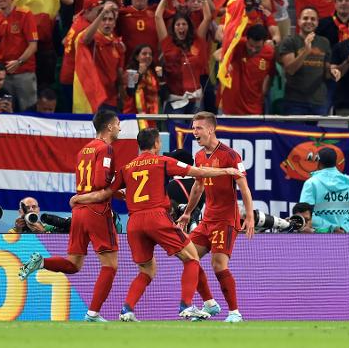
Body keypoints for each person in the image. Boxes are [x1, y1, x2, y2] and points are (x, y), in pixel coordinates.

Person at [73, 127, 242, 322]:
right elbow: (199, 171)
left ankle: (127, 309)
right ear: (156, 144)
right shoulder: (162, 162)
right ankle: (187, 306)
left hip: (134, 223)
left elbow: (104, 193)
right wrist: (225, 170)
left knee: (147, 270)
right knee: (192, 258)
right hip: (156, 218)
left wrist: (79, 198)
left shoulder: (127, 168)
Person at [19, 110, 121, 322]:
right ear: (109, 127)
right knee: (110, 265)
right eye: (118, 124)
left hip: (79, 212)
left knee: (74, 264)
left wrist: (84, 197)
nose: (120, 128)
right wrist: (120, 185)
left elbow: (90, 184)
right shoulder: (106, 149)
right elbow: (102, 183)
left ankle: (42, 262)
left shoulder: (84, 150)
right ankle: (92, 313)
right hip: (97, 210)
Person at [177, 111, 255, 323]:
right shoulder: (200, 156)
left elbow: (244, 188)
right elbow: (197, 187)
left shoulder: (230, 155)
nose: (195, 132)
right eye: (193, 128)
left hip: (226, 220)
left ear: (210, 129)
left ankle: (234, 313)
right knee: (188, 255)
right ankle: (210, 303)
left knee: (219, 264)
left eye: (198, 128)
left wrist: (249, 216)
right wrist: (186, 213)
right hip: (207, 220)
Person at [279, 7, 341, 115]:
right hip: (295, 101)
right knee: (296, 132)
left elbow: (326, 72)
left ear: (317, 23)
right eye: (305, 18)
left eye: (313, 19)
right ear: (298, 21)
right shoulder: (289, 41)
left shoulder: (324, 42)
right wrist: (306, 51)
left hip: (319, 101)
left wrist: (333, 71)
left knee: (317, 133)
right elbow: (290, 70)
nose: (309, 21)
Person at [299, 147, 349, 233]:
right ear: (336, 162)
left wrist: (332, 228)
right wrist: (345, 229)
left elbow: (304, 215)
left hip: (320, 239)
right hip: (347, 239)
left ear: (318, 162)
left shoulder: (311, 183)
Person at [216, 24, 276, 115]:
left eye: (258, 47)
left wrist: (263, 92)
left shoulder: (270, 53)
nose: (253, 50)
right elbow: (217, 54)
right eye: (251, 45)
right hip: (229, 107)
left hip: (254, 109)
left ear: (264, 43)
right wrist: (225, 62)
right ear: (246, 39)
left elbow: (270, 75)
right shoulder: (237, 44)